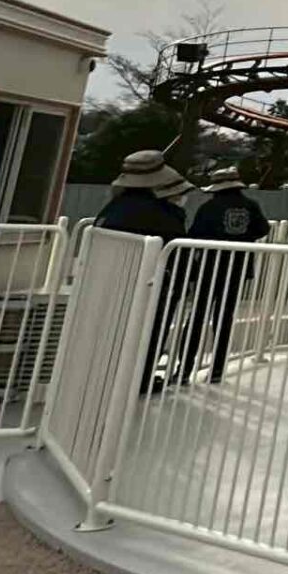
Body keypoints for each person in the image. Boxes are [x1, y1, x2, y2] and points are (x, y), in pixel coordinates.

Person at [96, 150, 191, 393]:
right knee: (150, 332)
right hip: (151, 285)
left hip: (108, 282)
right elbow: (177, 250)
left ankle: (107, 375)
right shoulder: (162, 214)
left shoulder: (112, 208)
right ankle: (142, 378)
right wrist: (183, 283)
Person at [176, 166, 269, 385]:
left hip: (209, 267)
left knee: (197, 317)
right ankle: (217, 369)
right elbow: (263, 229)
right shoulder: (251, 206)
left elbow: (195, 235)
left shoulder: (209, 208)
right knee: (224, 318)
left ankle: (184, 369)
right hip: (237, 268)